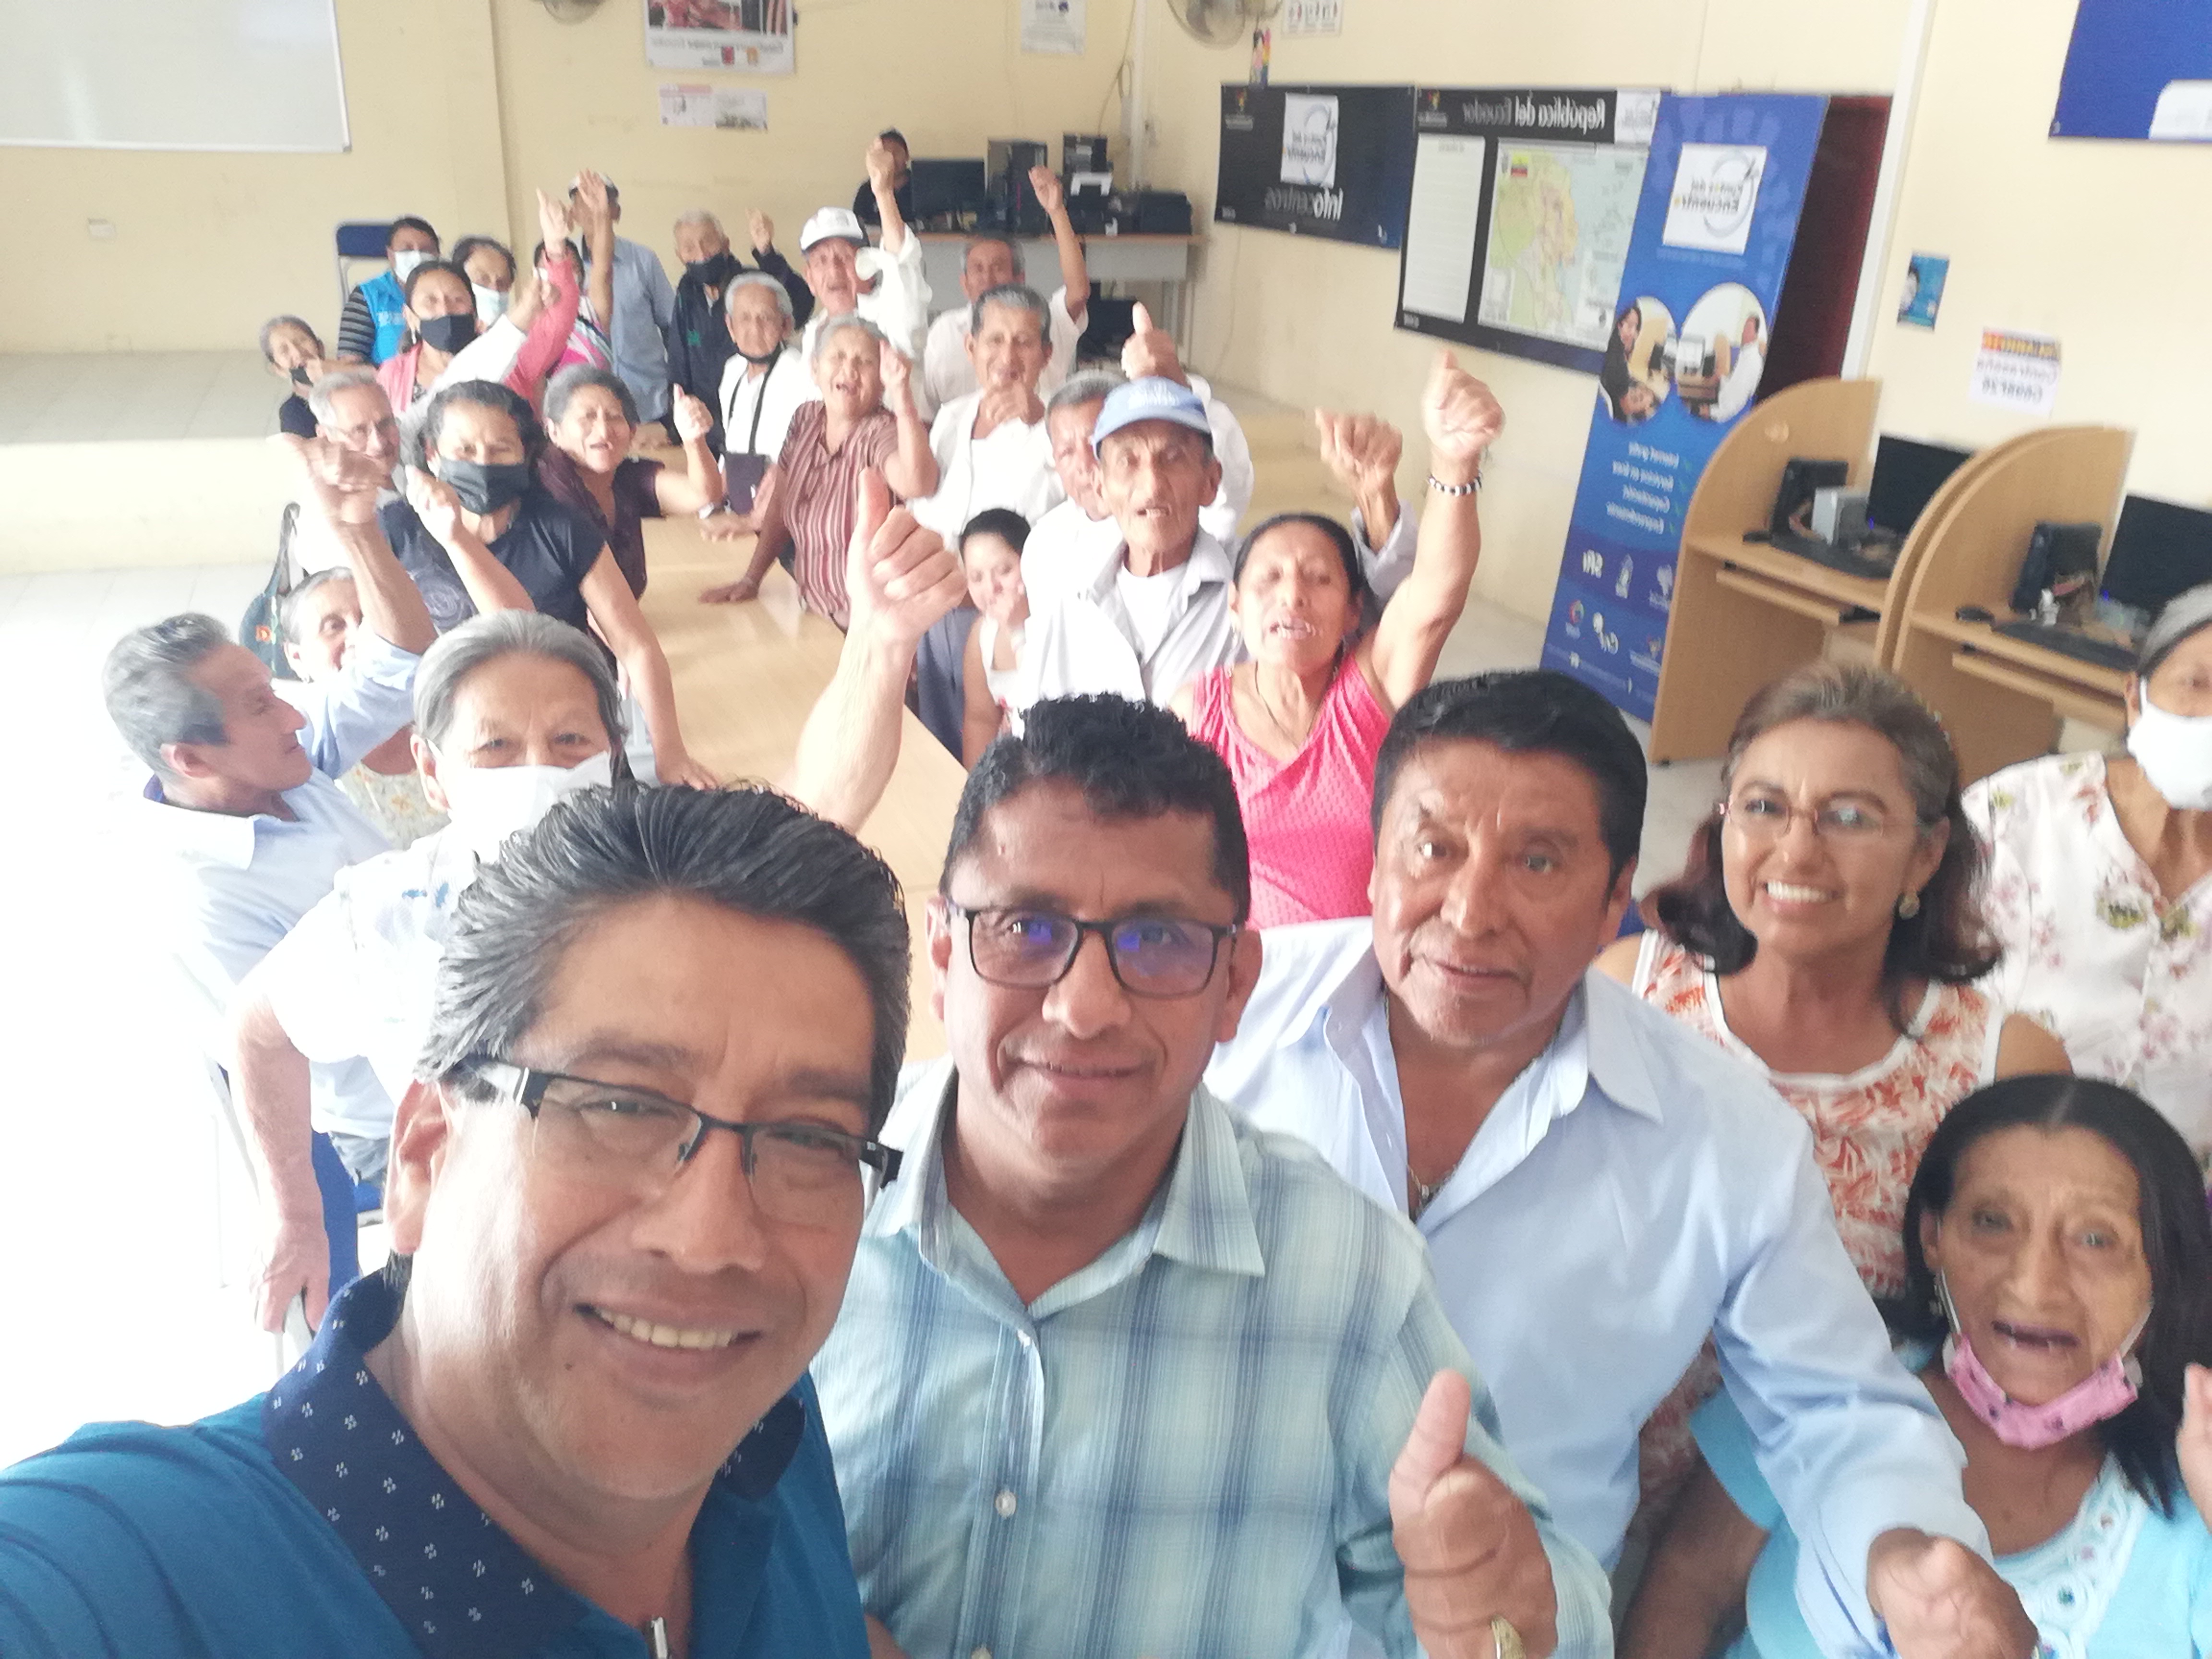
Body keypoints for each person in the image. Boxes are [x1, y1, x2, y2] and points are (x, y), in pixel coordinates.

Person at [1205, 671, 2040, 1658]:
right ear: (1375, 861)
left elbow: (1839, 1409)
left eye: (1538, 863)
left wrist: (1903, 1552)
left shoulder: (1725, 1142)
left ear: (1616, 900)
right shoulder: (1217, 1017)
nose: (1469, 913)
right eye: (1433, 848)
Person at [0, 785, 915, 1658]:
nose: (710, 1243)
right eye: (620, 1105)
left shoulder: (757, 1419)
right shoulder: (132, 1578)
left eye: (806, 1137)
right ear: (425, 1154)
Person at [813, 694, 1612, 1659]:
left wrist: (1519, 1616)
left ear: (1235, 985)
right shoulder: (790, 1191)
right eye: (1025, 927)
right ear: (943, 954)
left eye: (1158, 941)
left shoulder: (1345, 1278)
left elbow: (1515, 1600)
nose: (1083, 1009)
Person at [1597, 660, 2070, 1546]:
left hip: (1816, 1522)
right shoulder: (1630, 995)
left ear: (1926, 854)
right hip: (1589, 1485)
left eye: (1849, 817)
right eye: (1763, 807)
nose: (1796, 851)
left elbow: (2008, 1323)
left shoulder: (1998, 1064)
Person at [1623, 1075, 2212, 1659]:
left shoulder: (2197, 1498)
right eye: (1992, 1222)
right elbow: (1690, 1585)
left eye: (2095, 1239)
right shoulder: (1822, 1390)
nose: (2033, 1285)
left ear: (2164, 1268)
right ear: (1934, 1236)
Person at [229, 611, 625, 1330]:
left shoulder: (677, 893)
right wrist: (294, 1212)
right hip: (476, 1245)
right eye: (497, 747)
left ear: (612, 754)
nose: (539, 771)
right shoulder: (385, 916)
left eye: (570, 742)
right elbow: (259, 1030)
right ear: (434, 772)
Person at [104, 451, 434, 1198]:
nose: (295, 715)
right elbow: (312, 1046)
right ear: (191, 759)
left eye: (272, 691)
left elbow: (400, 668)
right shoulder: (200, 901)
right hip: (397, 1112)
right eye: (261, 705)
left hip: (442, 1011)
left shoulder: (265, 759)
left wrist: (359, 532)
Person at [1169, 353, 1497, 928]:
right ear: (1236, 609)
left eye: (1319, 579)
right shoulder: (1198, 711)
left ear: (1353, 612)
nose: (1292, 596)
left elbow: (1437, 594)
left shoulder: (1370, 689)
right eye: (1269, 579)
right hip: (1242, 971)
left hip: (1363, 967)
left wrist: (1453, 459)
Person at [1965, 584, 2212, 1165]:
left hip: (2177, 1188)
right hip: (1995, 1156)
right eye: (2197, 685)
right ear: (2135, 698)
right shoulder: (2015, 812)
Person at [378, 377, 718, 788]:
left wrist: (671, 755)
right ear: (433, 454)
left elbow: (637, 647)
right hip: (462, 741)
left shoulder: (562, 528)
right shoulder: (398, 530)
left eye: (500, 449)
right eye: (465, 451)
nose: (483, 463)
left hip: (566, 728)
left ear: (525, 453)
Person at [699, 315, 936, 628]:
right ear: (815, 369)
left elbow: (916, 483)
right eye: (838, 357)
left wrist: (903, 395)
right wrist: (752, 578)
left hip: (870, 629)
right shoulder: (805, 420)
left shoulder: (882, 432)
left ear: (882, 379)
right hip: (815, 616)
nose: (849, 370)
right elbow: (780, 506)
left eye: (865, 362)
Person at [374, 191, 582, 418]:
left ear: (474, 312)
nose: (445, 309)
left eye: (457, 299)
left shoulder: (512, 356)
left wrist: (555, 246)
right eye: (430, 301)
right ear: (410, 316)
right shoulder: (391, 375)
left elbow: (556, 325)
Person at [280, 566, 446, 848]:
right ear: (296, 657)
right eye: (334, 626)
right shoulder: (304, 763)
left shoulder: (447, 712)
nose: (358, 637)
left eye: (368, 619)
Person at [537, 363, 726, 597]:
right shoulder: (547, 488)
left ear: (633, 431)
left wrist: (693, 439)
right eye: (588, 417)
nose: (604, 431)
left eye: (614, 417)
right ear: (553, 430)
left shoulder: (623, 476)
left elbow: (703, 495)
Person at [916, 168, 1090, 420]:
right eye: (978, 270)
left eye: (998, 268)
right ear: (964, 283)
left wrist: (1056, 212)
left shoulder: (1043, 321)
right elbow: (926, 415)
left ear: (1020, 279)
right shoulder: (945, 332)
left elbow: (1078, 292)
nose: (988, 279)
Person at [910, 283, 1063, 540]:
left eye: (1023, 342)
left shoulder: (1063, 425)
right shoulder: (950, 417)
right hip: (933, 560)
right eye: (995, 340)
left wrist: (1042, 421)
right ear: (971, 348)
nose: (1007, 357)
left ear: (1046, 355)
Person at [667, 207, 811, 451]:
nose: (701, 254)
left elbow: (801, 304)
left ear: (726, 244)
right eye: (689, 248)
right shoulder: (686, 291)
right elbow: (678, 360)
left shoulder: (749, 284)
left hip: (752, 422)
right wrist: (678, 426)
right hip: (703, 429)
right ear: (680, 255)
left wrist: (767, 254)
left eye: (708, 242)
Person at [798, 140, 931, 366]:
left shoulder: (891, 315)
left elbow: (901, 262)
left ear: (868, 266)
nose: (834, 270)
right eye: (821, 261)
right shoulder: (814, 332)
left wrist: (884, 193)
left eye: (844, 258)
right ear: (810, 278)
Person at [569, 173, 677, 432]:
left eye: (601, 203)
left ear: (616, 212)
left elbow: (672, 325)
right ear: (573, 214)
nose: (594, 211)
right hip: (587, 409)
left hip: (650, 402)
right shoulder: (565, 264)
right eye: (585, 203)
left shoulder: (644, 260)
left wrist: (678, 387)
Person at [716, 272, 814, 519]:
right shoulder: (732, 371)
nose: (754, 328)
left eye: (766, 318)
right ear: (730, 326)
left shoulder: (803, 374)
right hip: (735, 509)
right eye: (745, 318)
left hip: (784, 512)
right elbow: (730, 445)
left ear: (786, 325)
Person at [956, 508, 1032, 763]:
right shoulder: (982, 634)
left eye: (1004, 570)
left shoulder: (1057, 622)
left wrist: (1019, 630)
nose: (991, 588)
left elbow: (1043, 705)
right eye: (976, 578)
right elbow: (980, 719)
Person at [336, 215, 438, 365]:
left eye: (425, 250)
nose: (417, 256)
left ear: (437, 255)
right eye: (407, 250)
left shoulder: (450, 294)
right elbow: (349, 364)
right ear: (391, 255)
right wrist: (392, 374)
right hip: (382, 378)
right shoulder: (368, 295)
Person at [259, 315, 326, 439]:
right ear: (278, 369)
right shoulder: (292, 412)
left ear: (320, 347)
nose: (298, 353)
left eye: (301, 341)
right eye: (284, 350)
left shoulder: (354, 387)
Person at [850, 126, 914, 228]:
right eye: (886, 154)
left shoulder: (922, 186)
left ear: (907, 156)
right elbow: (858, 225)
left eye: (896, 153)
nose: (891, 159)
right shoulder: (867, 190)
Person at [1708, 312, 1767, 421]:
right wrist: (1722, 379)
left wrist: (1710, 412)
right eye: (1745, 328)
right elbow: (1734, 385)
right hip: (1721, 402)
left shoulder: (1752, 362)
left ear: (1756, 335)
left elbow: (1735, 402)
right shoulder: (1744, 353)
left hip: (1724, 416)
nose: (1744, 333)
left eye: (1749, 329)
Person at [452, 233, 518, 326]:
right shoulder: (440, 334)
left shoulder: (518, 334)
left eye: (502, 283)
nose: (495, 289)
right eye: (482, 281)